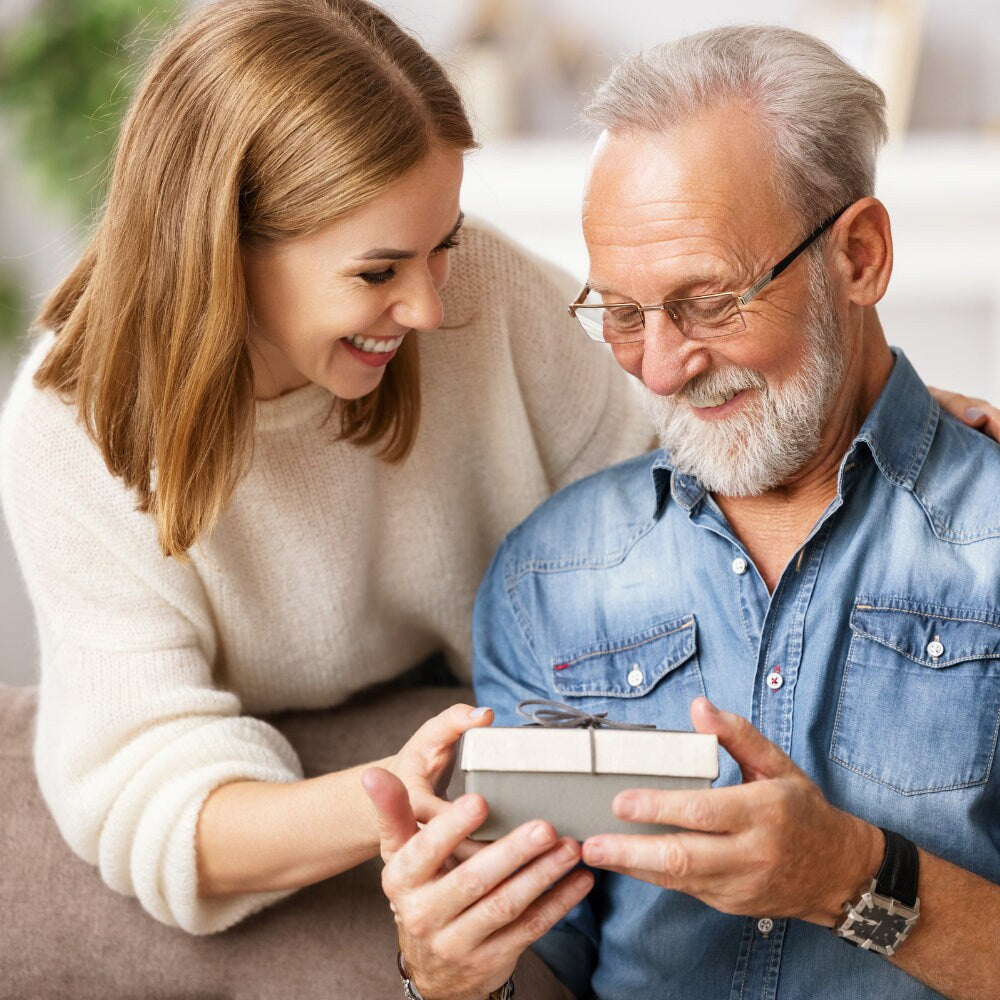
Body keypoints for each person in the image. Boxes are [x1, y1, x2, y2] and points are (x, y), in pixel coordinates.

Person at [364, 25, 1000, 1000]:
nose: (658, 369)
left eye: (708, 301)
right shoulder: (549, 575)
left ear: (860, 256)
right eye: (622, 312)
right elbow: (543, 963)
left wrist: (851, 880)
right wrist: (448, 973)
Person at [0, 0, 660, 937]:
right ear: (223, 247)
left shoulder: (483, 295)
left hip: (509, 708)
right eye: (377, 273)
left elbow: (666, 459)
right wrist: (395, 792)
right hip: (342, 790)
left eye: (443, 246)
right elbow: (153, 799)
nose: (428, 310)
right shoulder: (72, 432)